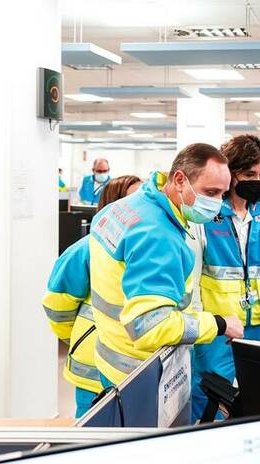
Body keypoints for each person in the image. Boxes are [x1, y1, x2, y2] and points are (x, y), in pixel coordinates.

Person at [88, 143, 244, 388]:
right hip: (142, 375)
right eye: (211, 192)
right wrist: (218, 324)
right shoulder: (159, 236)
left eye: (222, 194)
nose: (217, 203)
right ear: (180, 180)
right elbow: (150, 327)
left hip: (112, 360)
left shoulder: (124, 207)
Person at [188, 135, 260, 420]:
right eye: (249, 174)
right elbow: (193, 281)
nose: (257, 180)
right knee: (213, 406)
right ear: (231, 173)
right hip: (219, 331)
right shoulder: (206, 217)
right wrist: (204, 325)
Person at [42, 175, 143, 417]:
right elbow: (57, 306)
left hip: (133, 364)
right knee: (93, 431)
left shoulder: (146, 247)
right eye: (135, 200)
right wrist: (79, 336)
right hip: (93, 369)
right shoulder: (85, 248)